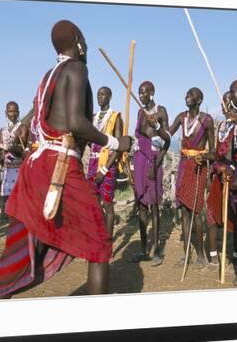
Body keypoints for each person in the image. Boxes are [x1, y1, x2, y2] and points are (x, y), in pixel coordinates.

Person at [0, 20, 131, 299]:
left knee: (35, 237)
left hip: (36, 165)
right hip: (60, 164)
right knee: (100, 241)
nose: (86, 46)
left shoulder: (48, 76)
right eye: (84, 40)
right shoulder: (77, 68)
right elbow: (76, 123)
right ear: (78, 40)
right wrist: (115, 142)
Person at [206, 84, 237, 270]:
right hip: (220, 174)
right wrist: (213, 165)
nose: (225, 107)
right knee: (212, 211)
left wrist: (234, 170)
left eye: (227, 103)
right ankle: (213, 254)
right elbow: (218, 154)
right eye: (223, 103)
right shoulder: (223, 126)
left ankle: (236, 253)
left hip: (236, 176)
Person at [170, 87, 215, 268]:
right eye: (186, 94)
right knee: (184, 211)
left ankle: (201, 256)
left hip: (197, 167)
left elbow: (213, 152)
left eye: (191, 94)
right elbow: (167, 133)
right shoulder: (182, 117)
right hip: (183, 165)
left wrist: (203, 157)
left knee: (196, 211)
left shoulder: (207, 120)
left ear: (199, 99)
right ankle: (186, 254)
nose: (186, 96)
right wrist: (156, 126)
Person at [130, 81, 170, 266]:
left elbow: (167, 141)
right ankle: (143, 249)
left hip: (154, 160)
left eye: (144, 92)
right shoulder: (139, 113)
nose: (141, 96)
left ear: (152, 93)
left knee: (154, 206)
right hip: (139, 159)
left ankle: (157, 250)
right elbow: (138, 136)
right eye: (139, 93)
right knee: (141, 204)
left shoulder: (161, 111)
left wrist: (157, 128)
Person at [86, 86, 124, 237]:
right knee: (94, 203)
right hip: (92, 163)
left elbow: (119, 146)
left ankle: (107, 242)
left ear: (109, 97)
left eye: (103, 94)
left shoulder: (115, 117)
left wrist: (104, 169)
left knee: (107, 204)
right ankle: (99, 236)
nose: (99, 97)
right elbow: (90, 141)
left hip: (107, 165)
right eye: (98, 94)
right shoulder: (94, 117)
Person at [0, 101, 29, 212]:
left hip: (19, 168)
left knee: (20, 197)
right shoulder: (3, 130)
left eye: (15, 111)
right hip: (7, 169)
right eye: (10, 111)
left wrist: (3, 146)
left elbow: (20, 149)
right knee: (7, 199)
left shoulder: (22, 127)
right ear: (6, 113)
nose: (12, 114)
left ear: (18, 112)